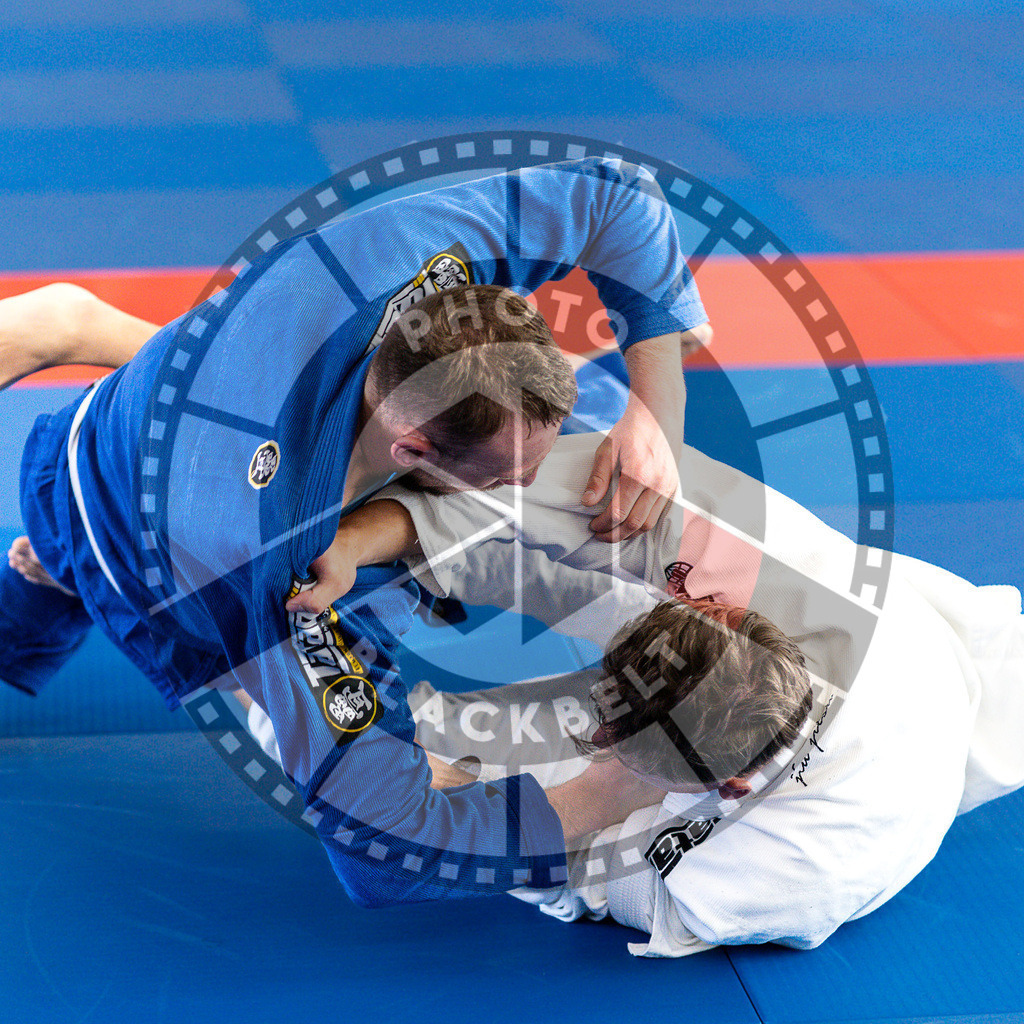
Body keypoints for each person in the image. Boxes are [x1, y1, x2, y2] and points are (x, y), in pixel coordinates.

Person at [0, 157, 711, 905]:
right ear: (413, 451)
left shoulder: (429, 252)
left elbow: (619, 193)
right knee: (311, 713)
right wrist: (621, 786)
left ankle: (55, 547)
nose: (525, 487)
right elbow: (385, 853)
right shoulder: (282, 563)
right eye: (505, 475)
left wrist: (656, 410)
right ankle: (59, 560)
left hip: (204, 391)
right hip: (132, 530)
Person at [266, 431, 1024, 954]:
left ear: (726, 788)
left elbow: (553, 869)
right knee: (576, 552)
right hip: (930, 641)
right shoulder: (788, 578)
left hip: (909, 772)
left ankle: (270, 690)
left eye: (606, 734)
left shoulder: (784, 871)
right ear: (723, 612)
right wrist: (366, 540)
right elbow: (575, 500)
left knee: (453, 782)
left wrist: (534, 793)